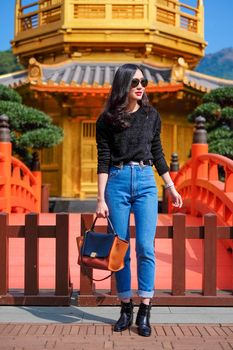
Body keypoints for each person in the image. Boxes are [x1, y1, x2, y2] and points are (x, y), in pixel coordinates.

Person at [95, 64, 182, 337]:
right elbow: (104, 159)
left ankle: (145, 309)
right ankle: (125, 307)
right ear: (123, 85)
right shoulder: (107, 119)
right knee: (120, 250)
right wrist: (100, 198)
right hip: (117, 183)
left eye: (143, 81)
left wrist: (170, 186)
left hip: (146, 181)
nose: (140, 86)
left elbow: (157, 152)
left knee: (146, 247)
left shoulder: (151, 115)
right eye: (134, 82)